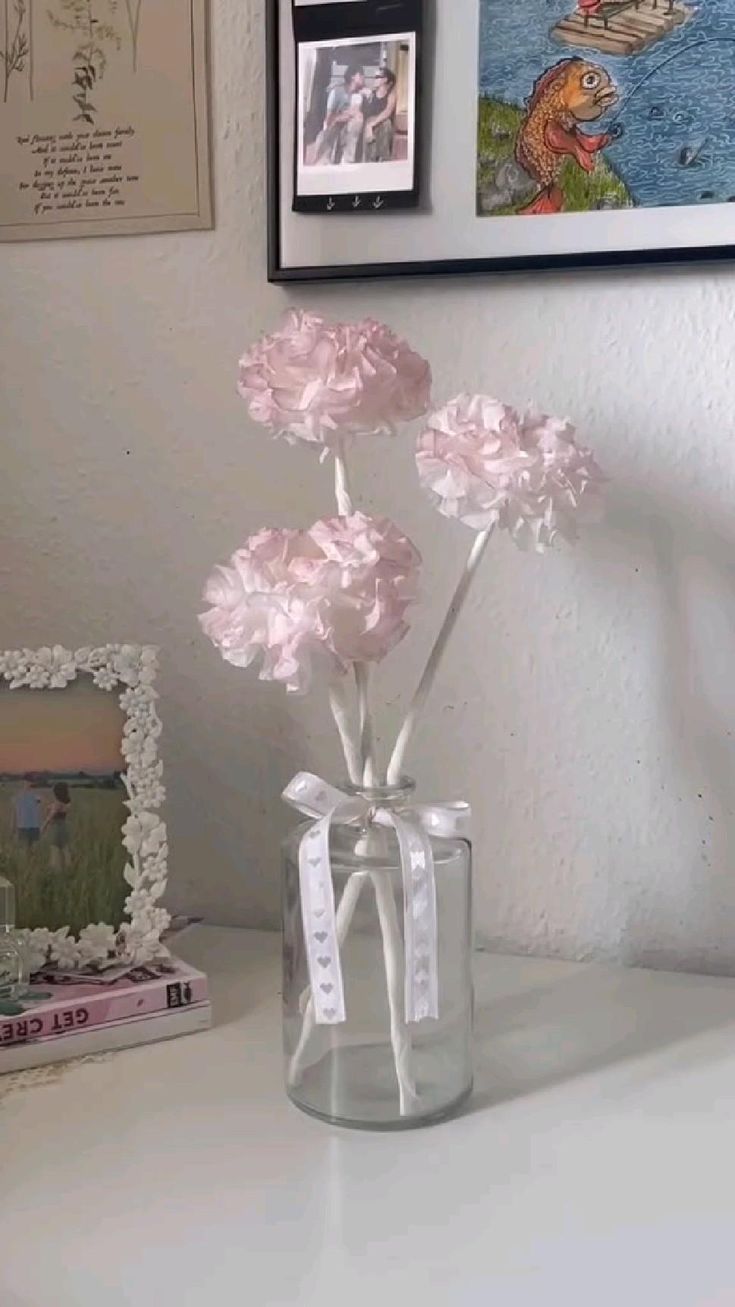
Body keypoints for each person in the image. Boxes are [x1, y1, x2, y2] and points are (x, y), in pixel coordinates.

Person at [314, 64, 366, 165]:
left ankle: (347, 160)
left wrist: (344, 115)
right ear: (352, 76)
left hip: (347, 128)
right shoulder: (336, 92)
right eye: (361, 75)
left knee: (358, 118)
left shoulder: (358, 94)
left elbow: (354, 112)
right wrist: (340, 117)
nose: (363, 77)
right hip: (333, 125)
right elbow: (329, 117)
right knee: (324, 137)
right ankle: (324, 161)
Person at [364, 67, 398, 163]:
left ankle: (383, 159)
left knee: (385, 123)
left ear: (385, 80)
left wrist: (372, 124)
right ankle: (370, 161)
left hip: (382, 124)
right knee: (369, 124)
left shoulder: (391, 94)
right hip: (370, 123)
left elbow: (388, 111)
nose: (374, 79)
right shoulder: (371, 93)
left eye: (377, 77)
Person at [42, 782, 72, 871]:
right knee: (65, 849)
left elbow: (49, 817)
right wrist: (49, 806)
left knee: (54, 849)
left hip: (56, 828)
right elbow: (53, 808)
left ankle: (55, 869)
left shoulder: (57, 804)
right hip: (64, 827)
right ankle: (69, 868)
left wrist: (43, 827)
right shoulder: (67, 803)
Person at [12, 775, 41, 848]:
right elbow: (15, 811)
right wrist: (13, 825)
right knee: (24, 847)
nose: (28, 784)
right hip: (23, 825)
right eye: (26, 782)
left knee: (31, 847)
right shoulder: (18, 796)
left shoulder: (36, 796)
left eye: (30, 782)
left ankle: (31, 859)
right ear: (23, 782)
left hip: (33, 824)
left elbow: (38, 807)